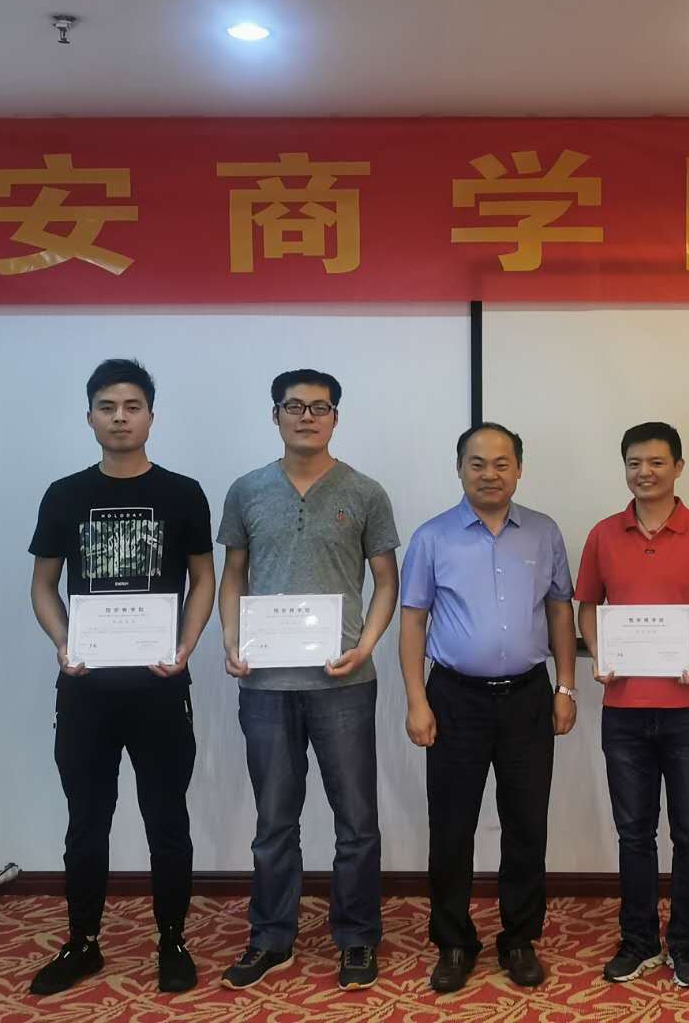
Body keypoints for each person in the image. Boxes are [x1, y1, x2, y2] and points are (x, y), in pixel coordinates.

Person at [27, 358, 215, 996]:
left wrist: (186, 646)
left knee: (167, 819)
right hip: (86, 689)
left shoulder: (182, 493)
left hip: (161, 686)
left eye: (132, 406)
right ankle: (82, 943)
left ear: (151, 417)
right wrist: (63, 642)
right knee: (86, 820)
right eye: (107, 407)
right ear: (89, 417)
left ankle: (172, 940)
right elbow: (43, 584)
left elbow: (204, 578)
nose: (120, 418)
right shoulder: (64, 494)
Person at [217, 369, 400, 992]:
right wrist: (231, 638)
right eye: (293, 406)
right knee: (274, 821)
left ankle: (357, 936)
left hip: (344, 683)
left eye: (320, 407)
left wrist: (365, 645)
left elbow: (387, 581)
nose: (306, 417)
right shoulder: (247, 490)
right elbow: (233, 573)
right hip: (265, 685)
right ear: (276, 415)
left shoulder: (365, 492)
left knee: (357, 822)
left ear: (335, 418)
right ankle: (271, 937)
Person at [399, 422, 578, 993]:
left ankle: (519, 938)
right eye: (477, 463)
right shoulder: (432, 537)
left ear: (519, 469)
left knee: (527, 823)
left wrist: (566, 687)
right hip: (455, 698)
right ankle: (454, 942)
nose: (489, 474)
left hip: (528, 697)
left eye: (502, 463)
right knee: (452, 825)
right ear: (459, 469)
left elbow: (560, 611)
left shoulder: (544, 532)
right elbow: (413, 621)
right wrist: (417, 700)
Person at [575, 422, 689, 988]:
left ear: (678, 467)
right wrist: (599, 651)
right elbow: (587, 606)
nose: (644, 472)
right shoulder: (604, 534)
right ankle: (640, 940)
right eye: (634, 463)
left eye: (655, 462)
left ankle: (687, 942)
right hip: (623, 709)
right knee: (634, 833)